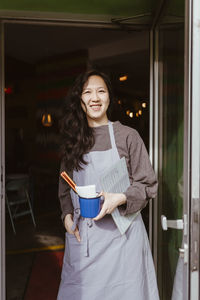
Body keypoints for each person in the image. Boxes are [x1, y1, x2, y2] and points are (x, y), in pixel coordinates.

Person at [57, 69, 160, 299]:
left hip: (124, 242)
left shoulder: (127, 136)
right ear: (80, 101)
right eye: (88, 92)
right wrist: (66, 217)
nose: (95, 98)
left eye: (101, 91)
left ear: (109, 98)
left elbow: (148, 184)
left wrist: (120, 197)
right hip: (85, 241)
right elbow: (65, 186)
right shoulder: (74, 142)